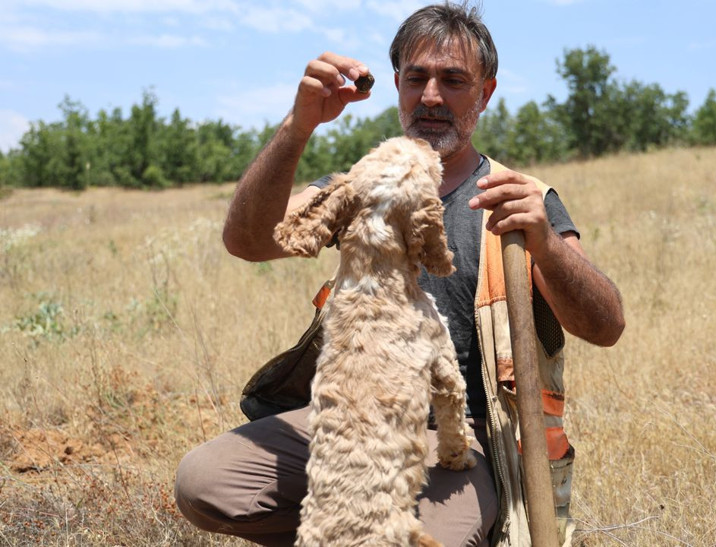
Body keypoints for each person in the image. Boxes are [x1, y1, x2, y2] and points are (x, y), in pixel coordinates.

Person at [174, 2, 625, 546]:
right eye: (417, 78)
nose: (431, 96)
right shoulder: (366, 183)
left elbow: (605, 326)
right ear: (397, 86)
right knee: (205, 483)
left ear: (485, 92)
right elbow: (247, 242)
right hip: (354, 419)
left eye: (453, 80)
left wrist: (546, 244)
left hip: (464, 440)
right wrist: (298, 126)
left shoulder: (517, 199)